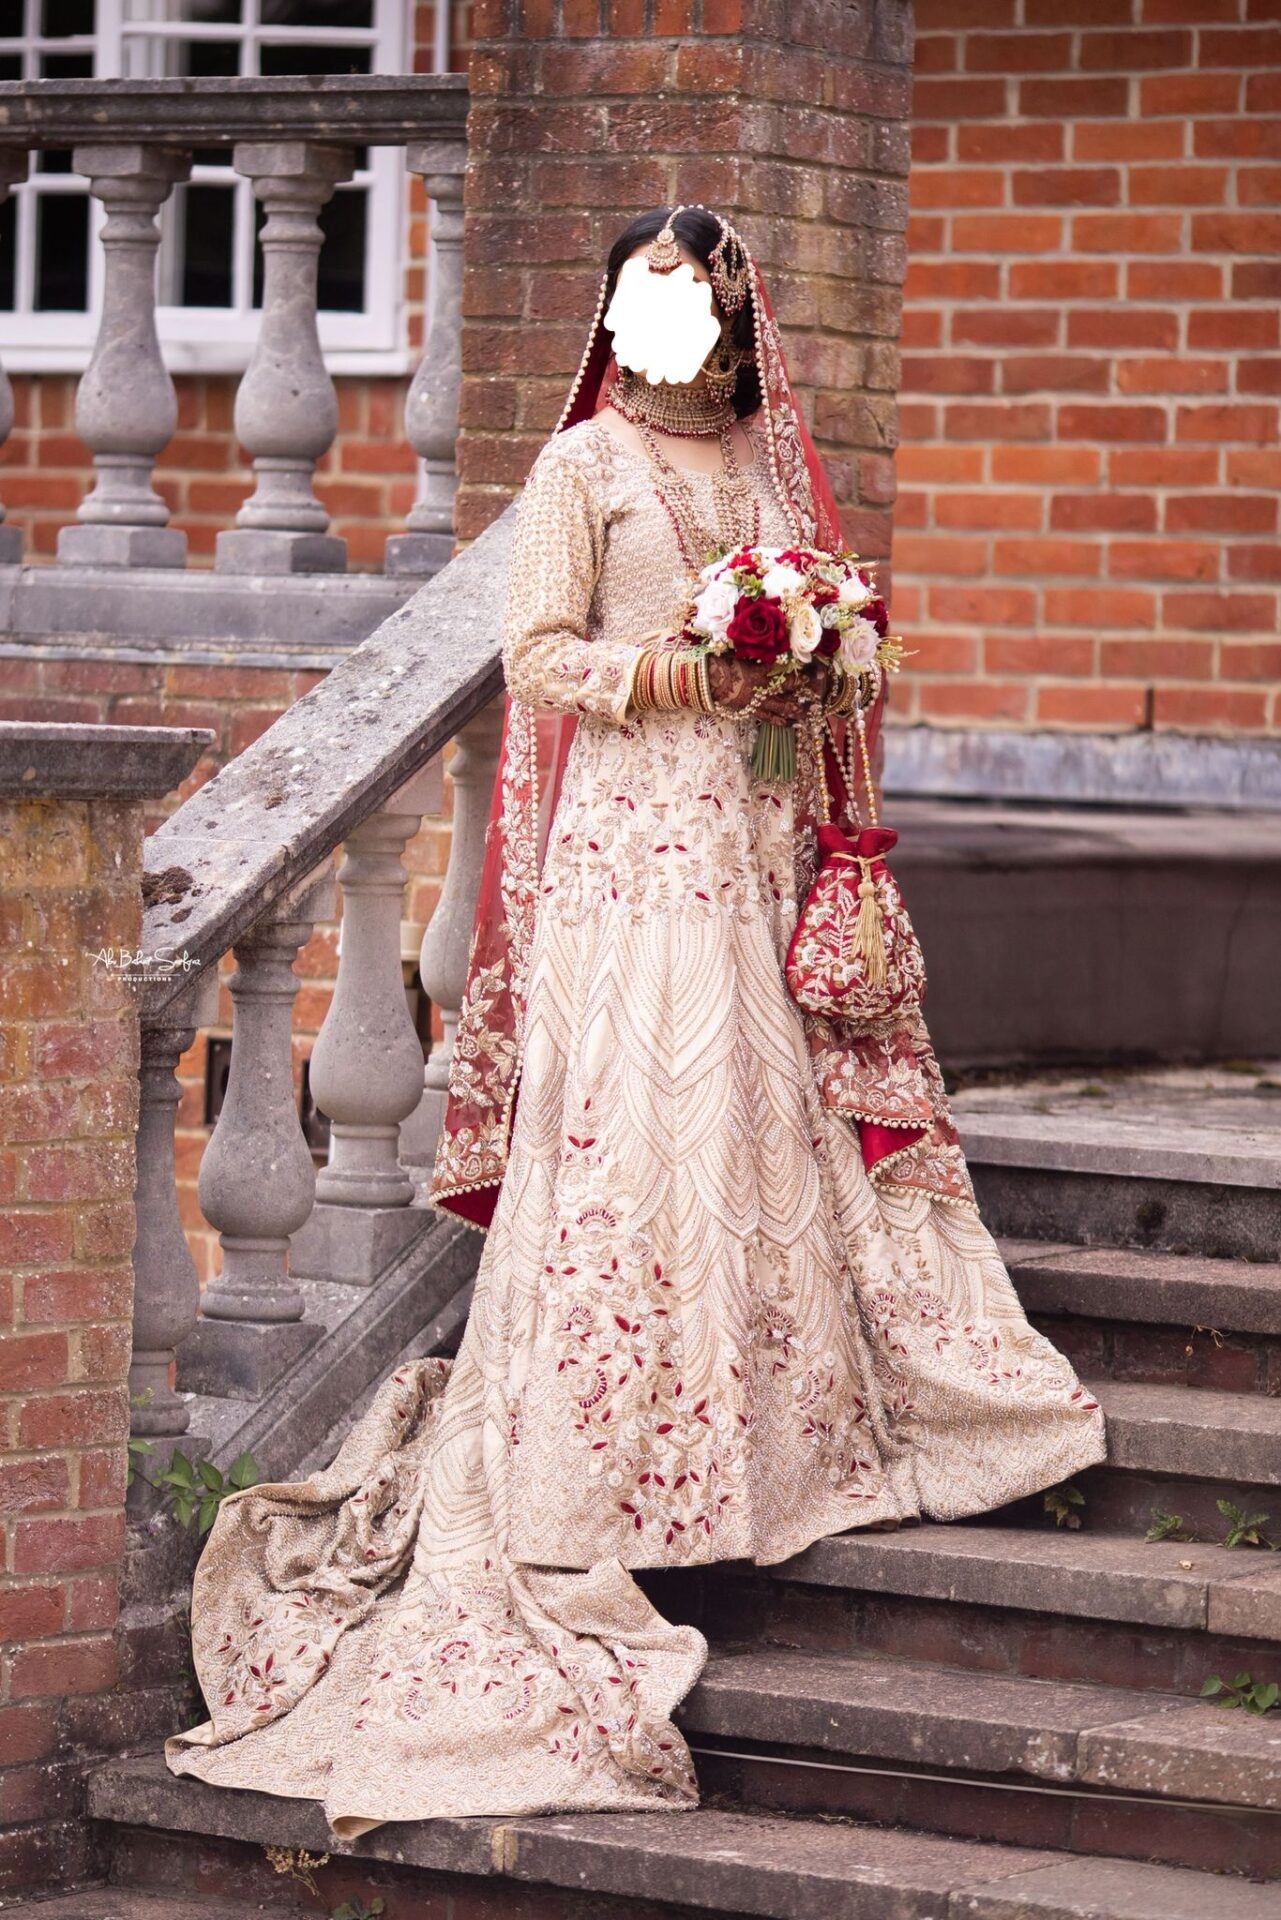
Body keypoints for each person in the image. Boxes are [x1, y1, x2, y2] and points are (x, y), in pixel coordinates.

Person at [167, 205, 1106, 1836]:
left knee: (750, 1107)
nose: (671, 332)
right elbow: (536, 657)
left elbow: (835, 641)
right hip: (626, 841)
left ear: (737, 318)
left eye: (695, 303)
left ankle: (759, 1447)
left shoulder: (764, 463)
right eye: (642, 302)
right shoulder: (586, 467)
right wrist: (678, 674)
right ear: (614, 316)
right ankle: (602, 1462)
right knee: (634, 1122)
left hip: (746, 836)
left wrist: (816, 654)